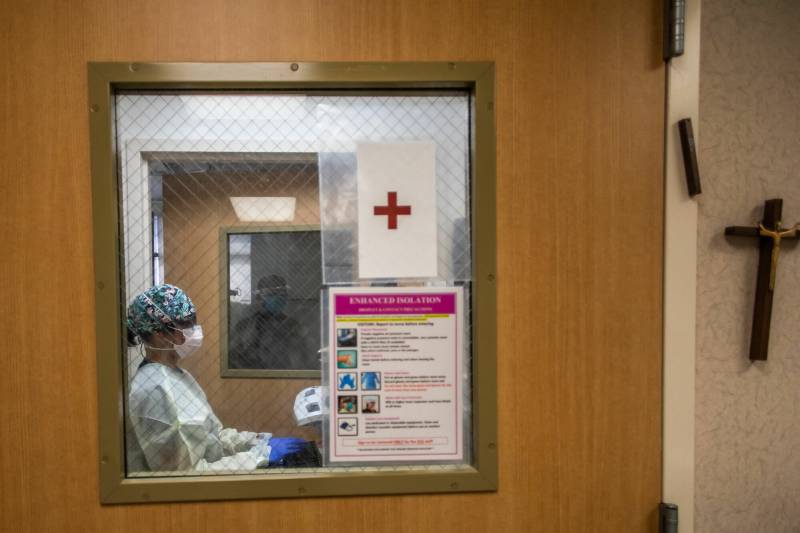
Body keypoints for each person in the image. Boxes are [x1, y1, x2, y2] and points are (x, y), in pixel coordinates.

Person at [125, 283, 308, 473]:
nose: (194, 329)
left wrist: (258, 442)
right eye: (186, 323)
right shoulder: (155, 390)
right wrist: (258, 456)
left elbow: (213, 436)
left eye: (193, 321)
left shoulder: (179, 376)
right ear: (160, 334)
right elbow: (184, 475)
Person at [229, 274, 315, 370]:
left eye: (281, 293)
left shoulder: (293, 326)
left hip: (289, 377)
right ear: (260, 297)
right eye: (271, 293)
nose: (277, 297)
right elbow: (234, 358)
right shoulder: (245, 326)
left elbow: (305, 357)